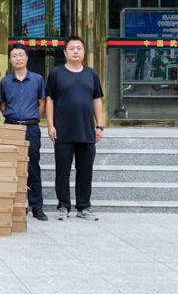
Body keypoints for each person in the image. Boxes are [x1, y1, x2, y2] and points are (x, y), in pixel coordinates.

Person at [46, 35, 104, 221]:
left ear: (84, 51)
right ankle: (63, 206)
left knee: (85, 171)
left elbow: (97, 100)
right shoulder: (56, 73)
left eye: (79, 48)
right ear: (65, 52)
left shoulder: (91, 74)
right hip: (63, 130)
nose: (75, 51)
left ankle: (83, 207)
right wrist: (50, 125)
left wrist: (100, 125)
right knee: (62, 171)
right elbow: (49, 100)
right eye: (71, 48)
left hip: (86, 130)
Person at [0, 44, 47, 221]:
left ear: (26, 57)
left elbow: (42, 102)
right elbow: (2, 105)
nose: (18, 58)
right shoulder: (5, 81)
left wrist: (31, 117)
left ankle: (37, 206)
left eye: (21, 55)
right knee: (11, 165)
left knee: (33, 165)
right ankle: (15, 205)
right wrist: (12, 116)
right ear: (10, 60)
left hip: (31, 128)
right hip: (11, 127)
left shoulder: (37, 79)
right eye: (14, 56)